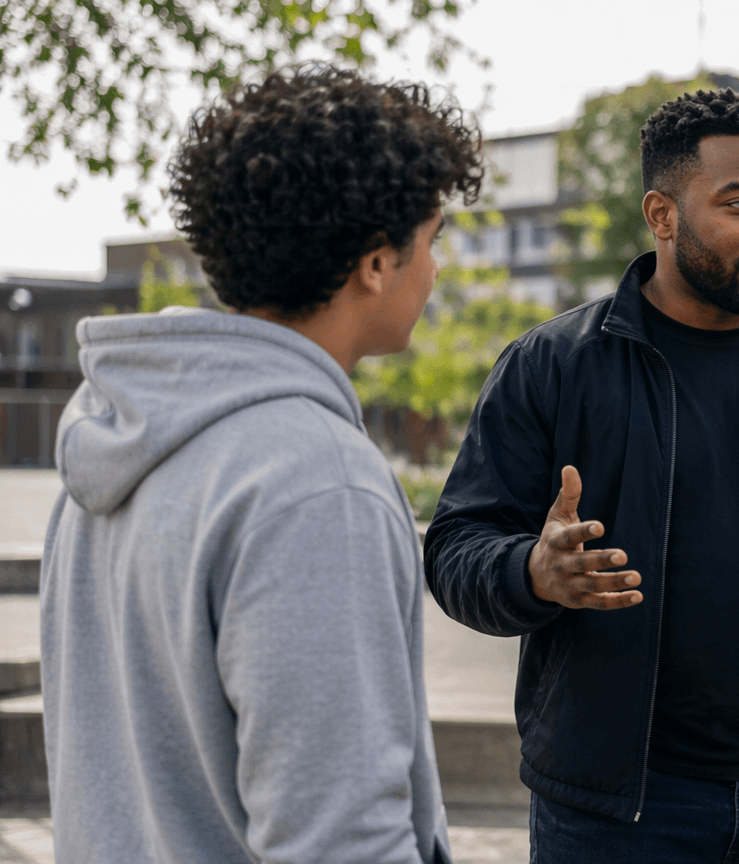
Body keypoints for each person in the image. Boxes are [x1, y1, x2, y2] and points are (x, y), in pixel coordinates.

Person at [423, 88, 739, 862]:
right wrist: (531, 571)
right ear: (662, 216)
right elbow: (456, 545)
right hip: (618, 812)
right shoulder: (551, 366)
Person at [39, 65, 482, 863]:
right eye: (432, 238)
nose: (436, 269)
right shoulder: (318, 482)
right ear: (376, 263)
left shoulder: (108, 447)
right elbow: (340, 836)